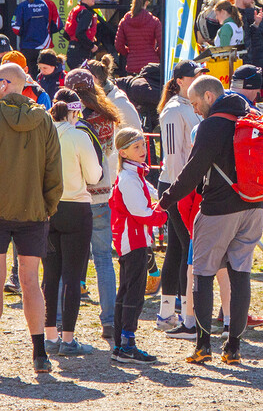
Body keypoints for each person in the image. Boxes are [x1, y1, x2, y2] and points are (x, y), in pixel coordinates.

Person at [0, 63, 62, 376]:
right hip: (34, 212)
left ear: (5, 85)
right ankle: (40, 354)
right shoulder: (44, 120)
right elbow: (54, 171)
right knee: (31, 282)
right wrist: (47, 207)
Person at [159, 76, 263, 365]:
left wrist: (166, 200)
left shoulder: (212, 125)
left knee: (203, 274)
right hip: (254, 206)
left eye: (195, 103)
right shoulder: (252, 116)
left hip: (218, 209)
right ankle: (233, 348)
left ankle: (203, 345)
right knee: (240, 275)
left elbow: (193, 171)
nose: (194, 109)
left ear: (209, 96)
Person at [39, 89, 102, 356]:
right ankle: (68, 339)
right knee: (73, 277)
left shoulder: (41, 135)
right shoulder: (79, 136)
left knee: (50, 275)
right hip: (76, 207)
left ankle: (50, 336)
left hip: (47, 209)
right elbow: (94, 175)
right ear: (74, 113)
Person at [64, 68, 123, 342]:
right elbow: (109, 153)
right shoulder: (106, 117)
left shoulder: (69, 119)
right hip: (100, 195)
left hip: (74, 195)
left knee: (68, 262)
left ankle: (59, 321)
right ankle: (109, 320)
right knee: (103, 260)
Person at [155, 60, 206, 334]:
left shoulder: (189, 106)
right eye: (194, 75)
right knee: (187, 248)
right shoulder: (174, 110)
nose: (198, 79)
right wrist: (181, 190)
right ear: (180, 81)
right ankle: (187, 314)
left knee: (177, 248)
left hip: (186, 185)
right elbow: (174, 155)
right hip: (177, 185)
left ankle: (168, 313)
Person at [109, 128, 167, 364]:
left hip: (133, 240)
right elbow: (141, 213)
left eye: (143, 145)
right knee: (133, 293)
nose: (143, 150)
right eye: (136, 147)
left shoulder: (134, 175)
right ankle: (127, 344)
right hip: (133, 241)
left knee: (127, 291)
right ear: (123, 152)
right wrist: (163, 213)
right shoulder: (129, 178)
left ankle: (121, 344)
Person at [13, 0, 64, 70]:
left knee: (28, 75)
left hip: (26, 48)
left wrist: (26, 33)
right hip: (45, 48)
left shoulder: (22, 6)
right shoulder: (50, 4)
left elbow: (15, 28)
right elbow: (58, 25)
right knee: (45, 75)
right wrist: (46, 31)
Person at [114, 0, 161, 75]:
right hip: (151, 65)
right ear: (146, 3)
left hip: (132, 65)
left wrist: (129, 53)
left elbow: (118, 45)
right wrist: (155, 54)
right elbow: (162, 44)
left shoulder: (124, 21)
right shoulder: (154, 21)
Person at [64, 0, 100, 69]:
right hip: (81, 54)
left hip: (71, 52)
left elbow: (66, 34)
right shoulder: (86, 13)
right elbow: (79, 33)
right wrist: (91, 46)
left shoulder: (75, 10)